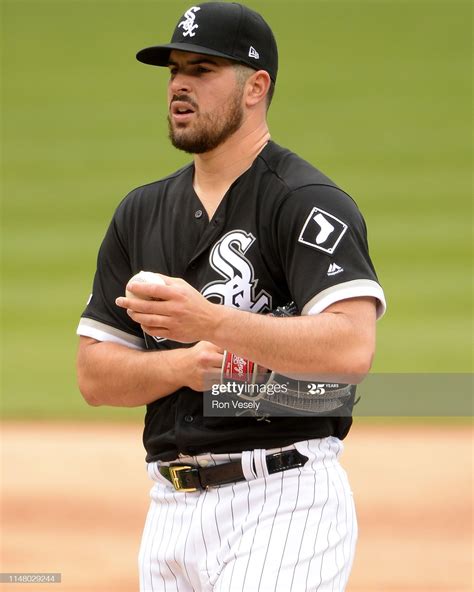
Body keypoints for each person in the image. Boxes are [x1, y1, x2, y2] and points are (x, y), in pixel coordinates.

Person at [76, 3, 386, 591]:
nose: (179, 86)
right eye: (173, 71)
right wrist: (184, 365)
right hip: (168, 510)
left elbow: (351, 347)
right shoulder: (140, 212)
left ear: (256, 87)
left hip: (283, 501)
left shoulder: (305, 201)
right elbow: (95, 375)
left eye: (202, 69)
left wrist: (209, 320)